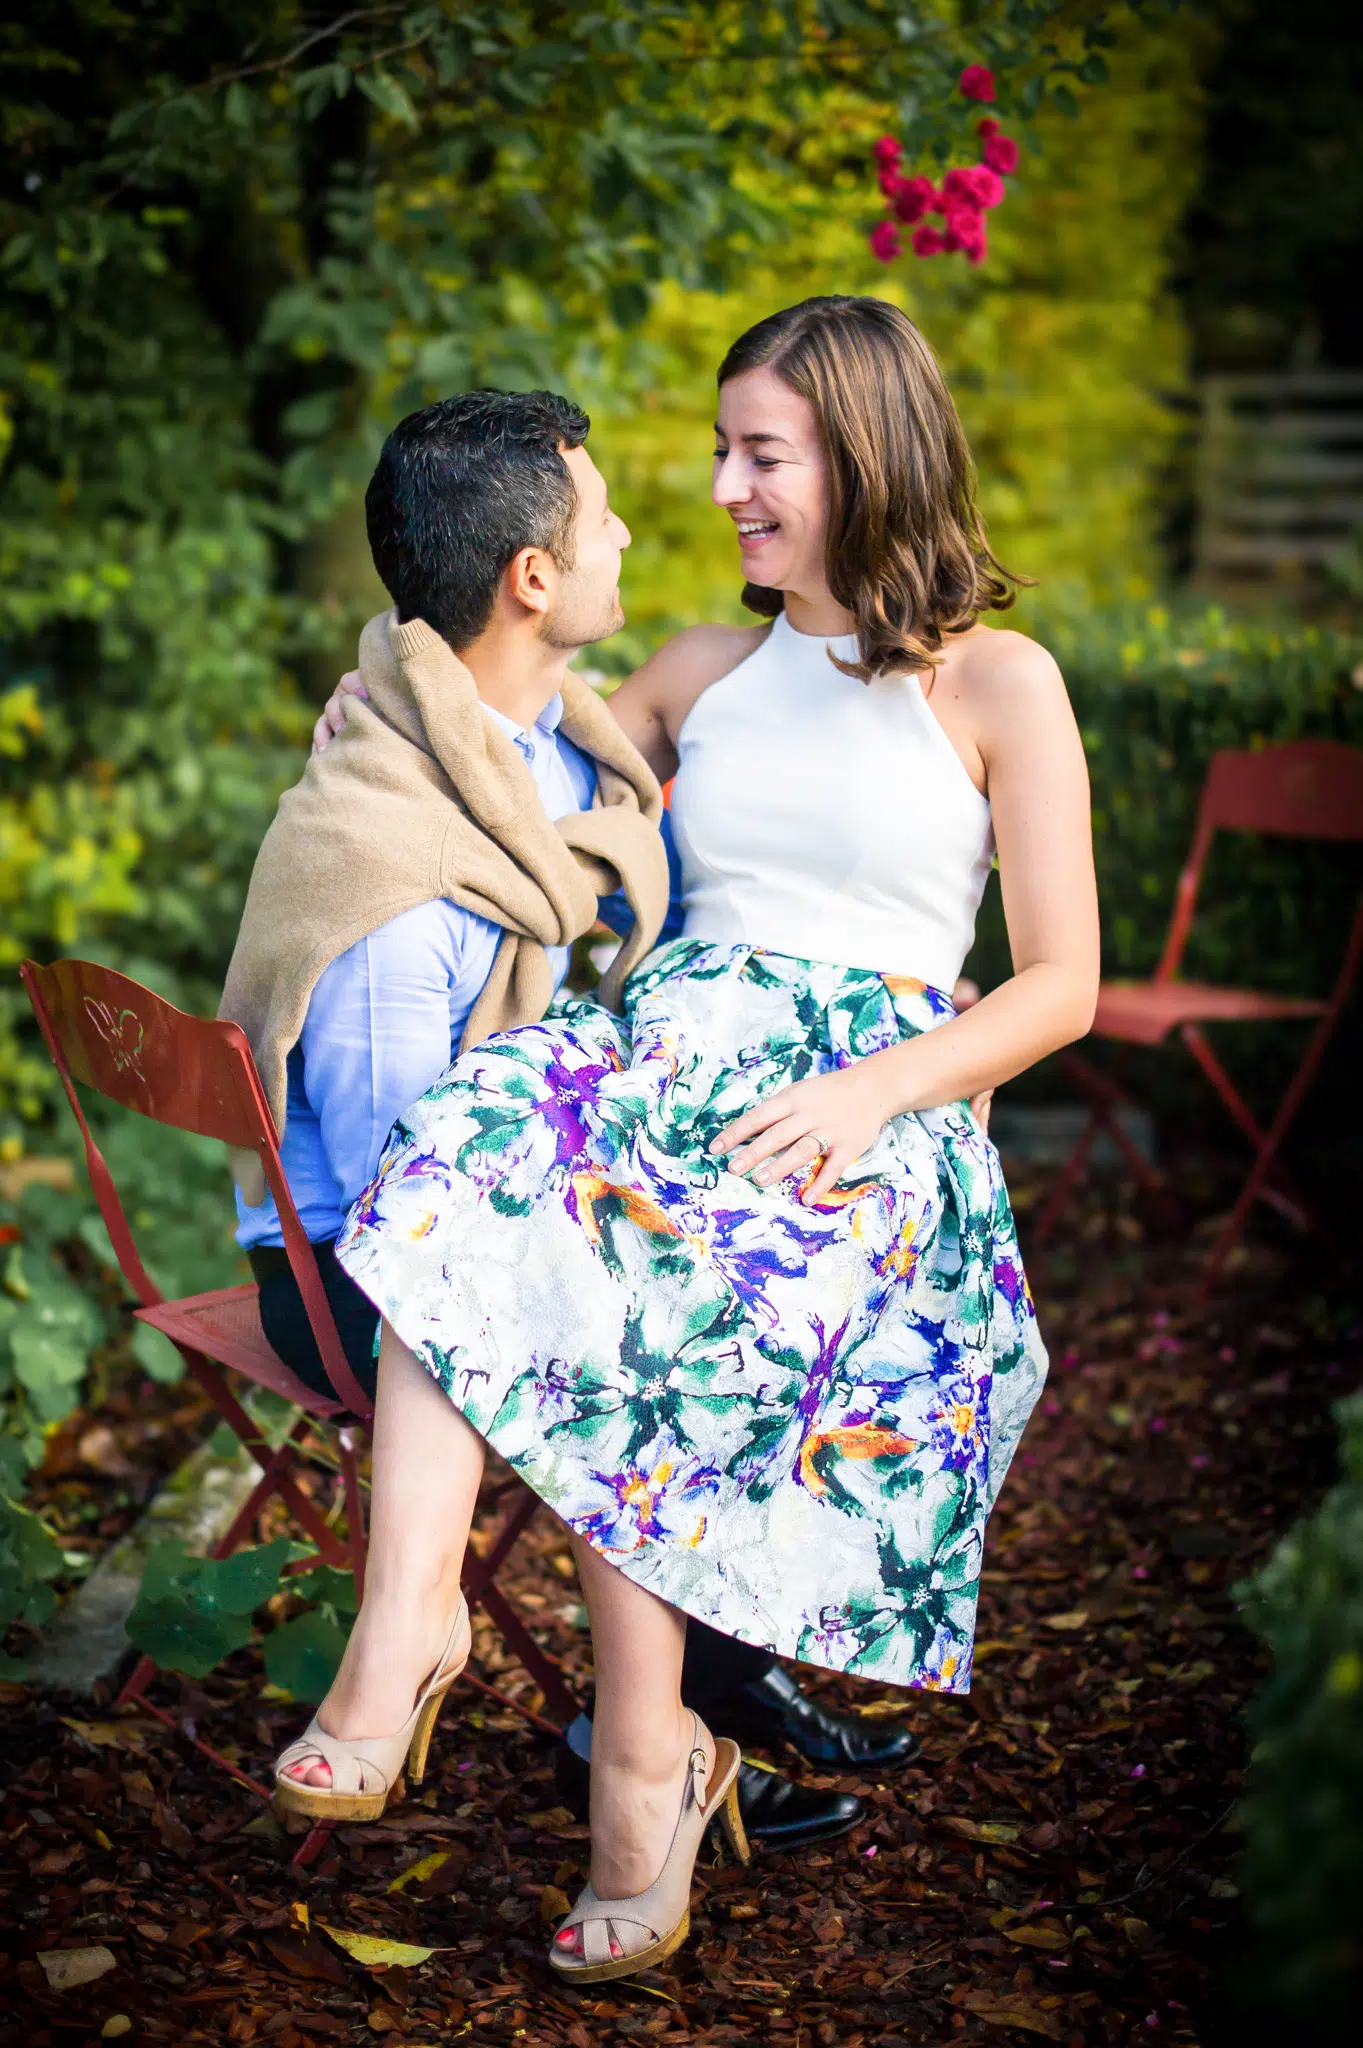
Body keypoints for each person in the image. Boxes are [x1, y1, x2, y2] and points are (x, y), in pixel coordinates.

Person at [282, 295, 1098, 1983]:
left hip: (862, 1110)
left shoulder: (998, 684)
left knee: (657, 1288)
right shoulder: (698, 674)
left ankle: (645, 1766)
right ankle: (420, 1632)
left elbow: (1066, 986)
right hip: (662, 1073)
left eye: (762, 453)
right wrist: (371, 730)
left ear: (868, 458)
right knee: (477, 1143)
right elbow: (496, 777)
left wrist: (877, 1092)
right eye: (724, 448)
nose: (724, 486)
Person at [228, 387, 900, 1854]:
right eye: (601, 521)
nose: (632, 533)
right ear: (533, 578)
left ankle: (672, 1722)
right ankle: (660, 1740)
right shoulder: (391, 880)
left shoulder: (544, 761)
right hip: (358, 1285)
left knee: (775, 1265)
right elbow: (417, 1214)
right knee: (681, 1318)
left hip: (476, 1221)